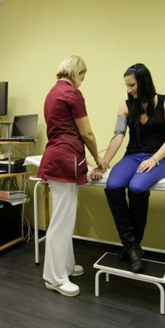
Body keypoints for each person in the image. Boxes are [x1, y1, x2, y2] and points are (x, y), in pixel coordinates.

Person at [92, 63, 165, 273]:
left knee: (137, 187)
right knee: (113, 186)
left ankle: (131, 246)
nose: (129, 89)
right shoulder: (125, 106)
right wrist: (104, 162)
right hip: (132, 157)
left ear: (144, 81)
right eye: (127, 86)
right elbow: (118, 136)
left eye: (132, 85)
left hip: (158, 159)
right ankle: (132, 247)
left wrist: (154, 159)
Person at [38, 56, 107, 297]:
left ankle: (66, 266)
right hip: (65, 161)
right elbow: (86, 133)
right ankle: (54, 278)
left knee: (64, 218)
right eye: (82, 78)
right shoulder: (72, 93)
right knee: (62, 222)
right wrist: (98, 158)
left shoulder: (52, 92)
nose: (81, 83)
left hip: (57, 157)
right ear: (76, 73)